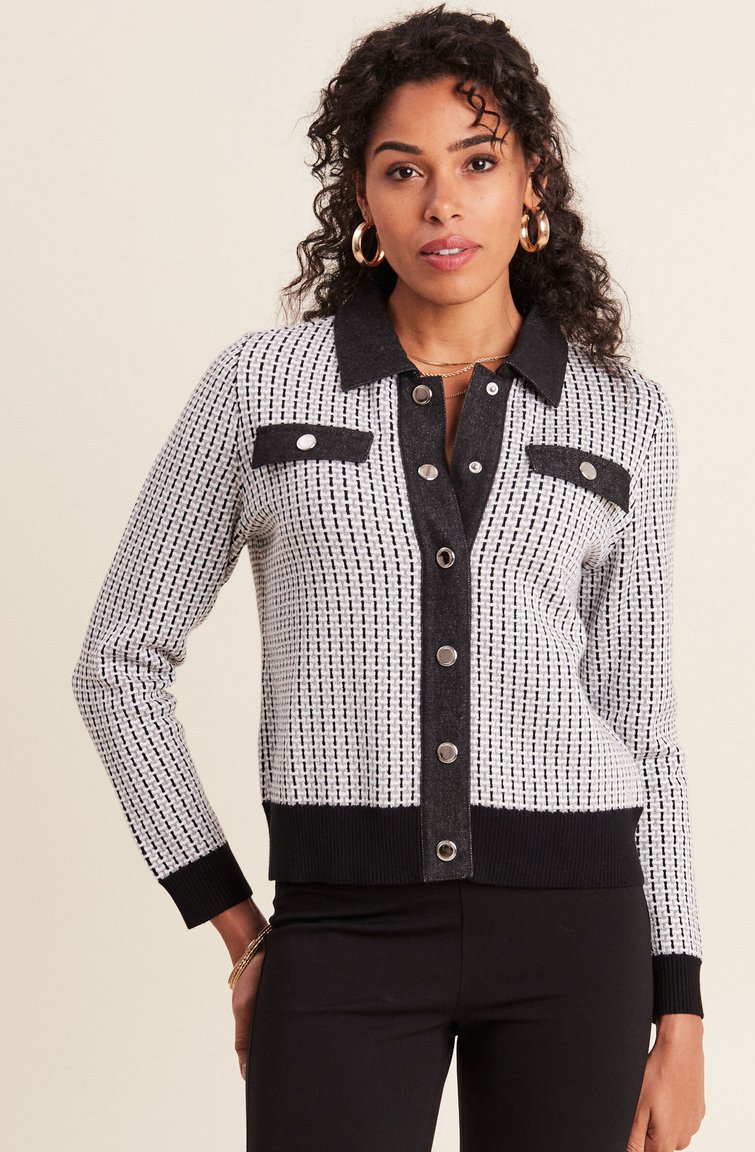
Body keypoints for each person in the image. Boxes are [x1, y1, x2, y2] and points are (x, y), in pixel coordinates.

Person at [71, 5, 707, 1150]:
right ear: (360, 199)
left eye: (477, 163)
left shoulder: (624, 415)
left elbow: (639, 722)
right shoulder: (263, 387)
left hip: (577, 938)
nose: (440, 203)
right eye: (402, 169)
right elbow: (117, 662)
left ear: (532, 184)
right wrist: (235, 923)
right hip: (340, 933)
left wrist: (680, 1007)